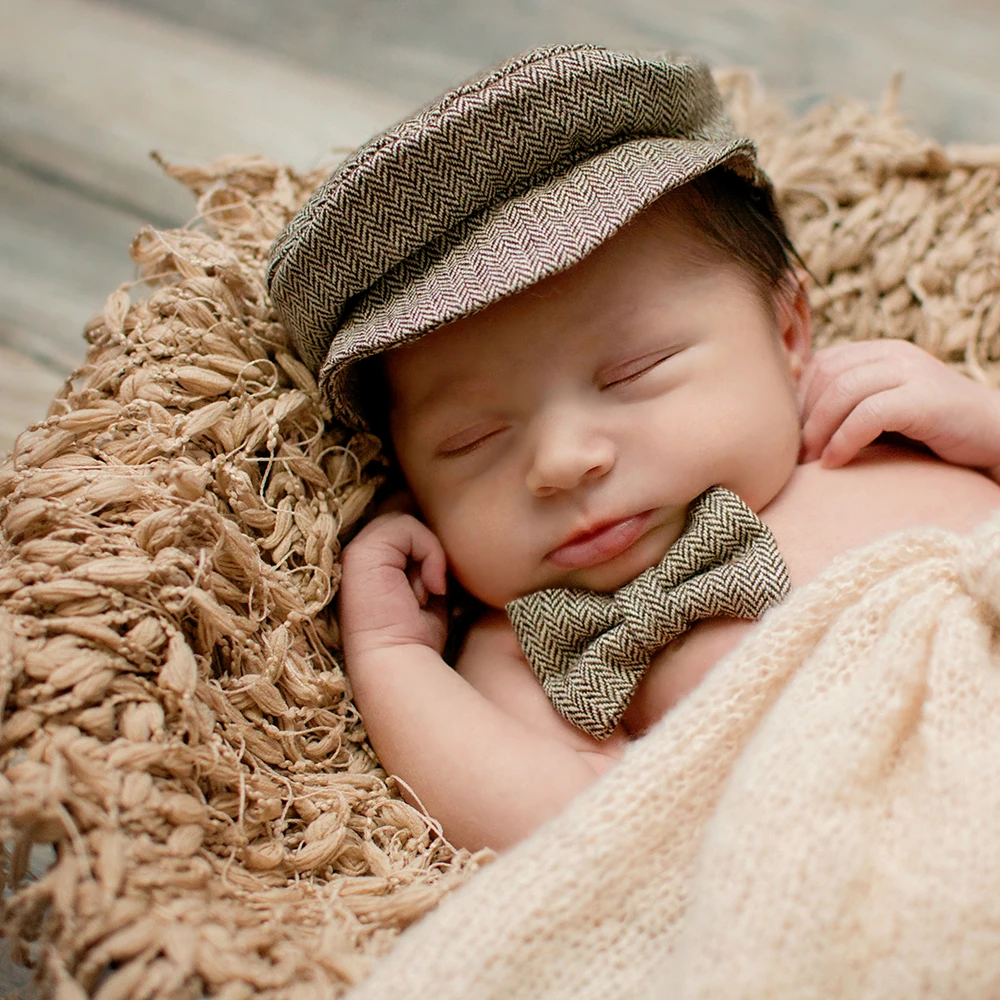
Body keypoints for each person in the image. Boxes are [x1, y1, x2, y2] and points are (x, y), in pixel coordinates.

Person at [267, 45, 1000, 853]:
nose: (561, 462)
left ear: (790, 335)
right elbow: (568, 837)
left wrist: (985, 422)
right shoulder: (536, 644)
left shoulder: (883, 430)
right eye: (471, 440)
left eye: (633, 373)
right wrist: (393, 658)